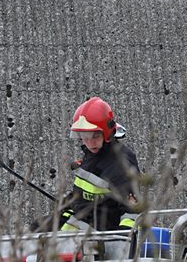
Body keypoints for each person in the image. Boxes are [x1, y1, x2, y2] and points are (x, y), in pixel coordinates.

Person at [58, 96, 140, 232]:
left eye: (95, 136)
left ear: (106, 133)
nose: (90, 143)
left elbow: (131, 211)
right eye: (85, 138)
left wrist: (121, 244)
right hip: (77, 232)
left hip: (100, 241)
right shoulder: (91, 157)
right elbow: (81, 197)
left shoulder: (121, 162)